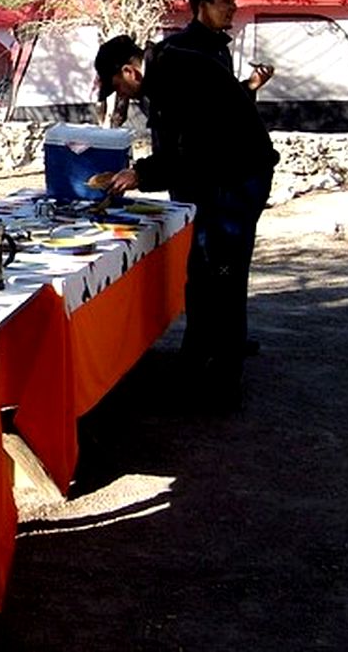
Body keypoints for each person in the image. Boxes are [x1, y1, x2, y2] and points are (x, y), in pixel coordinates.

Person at [97, 20, 278, 408]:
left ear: (130, 71)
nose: (121, 95)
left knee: (225, 274)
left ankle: (223, 383)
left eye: (118, 87)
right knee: (202, 271)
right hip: (220, 177)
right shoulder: (165, 69)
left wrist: (140, 174)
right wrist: (143, 172)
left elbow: (189, 151)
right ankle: (195, 361)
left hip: (239, 179)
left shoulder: (174, 74)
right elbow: (183, 147)